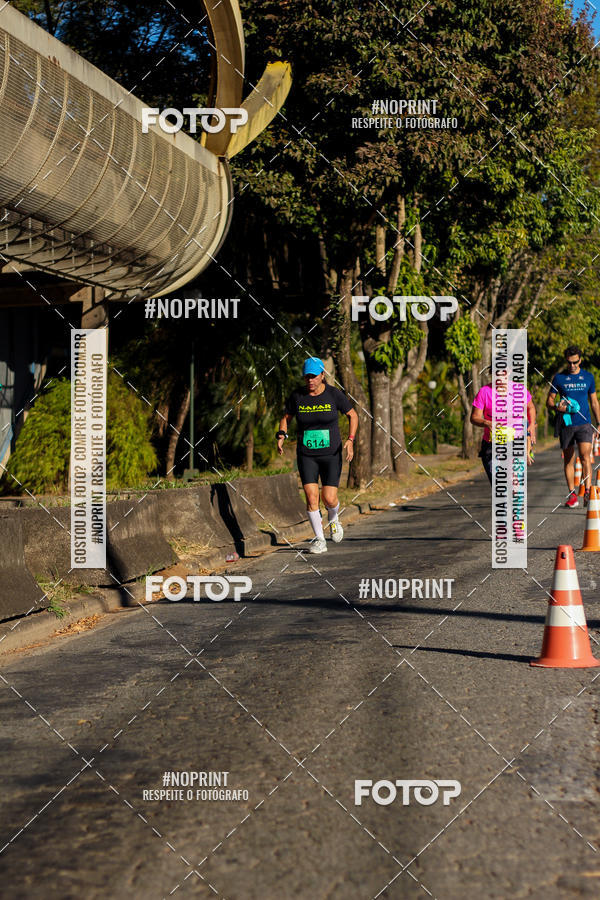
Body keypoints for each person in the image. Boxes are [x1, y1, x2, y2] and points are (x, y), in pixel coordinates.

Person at [277, 357, 358, 554]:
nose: (310, 381)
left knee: (329, 498)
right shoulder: (297, 396)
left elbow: (352, 415)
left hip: (331, 454)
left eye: (313, 376)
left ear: (323, 375)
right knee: (311, 497)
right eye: (307, 377)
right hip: (307, 455)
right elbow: (286, 418)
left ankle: (333, 519)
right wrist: (281, 434)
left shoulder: (333, 395)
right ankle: (319, 540)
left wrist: (350, 440)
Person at [547, 345, 600, 508]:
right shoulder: (559, 378)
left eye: (575, 362)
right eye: (569, 363)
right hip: (567, 424)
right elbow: (549, 401)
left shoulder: (588, 377)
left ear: (580, 360)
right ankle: (572, 495)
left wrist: (598, 423)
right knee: (569, 460)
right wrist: (557, 407)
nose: (572, 366)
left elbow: (594, 401)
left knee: (585, 457)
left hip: (584, 424)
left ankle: (587, 492)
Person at [471, 380, 536, 484]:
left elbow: (530, 407)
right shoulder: (485, 391)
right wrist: (486, 422)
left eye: (504, 370)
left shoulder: (519, 390)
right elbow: (474, 417)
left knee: (515, 484)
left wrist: (532, 424)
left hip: (515, 443)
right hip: (492, 445)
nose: (500, 374)